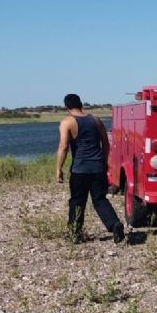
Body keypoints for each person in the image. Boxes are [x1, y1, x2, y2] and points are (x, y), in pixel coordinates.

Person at [56, 93, 125, 244]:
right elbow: (106, 144)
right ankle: (114, 225)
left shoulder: (67, 122)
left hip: (80, 170)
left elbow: (63, 147)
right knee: (100, 199)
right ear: (81, 104)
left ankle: (75, 234)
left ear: (66, 106)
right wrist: (105, 163)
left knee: (77, 201)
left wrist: (58, 169)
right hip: (98, 168)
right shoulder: (96, 120)